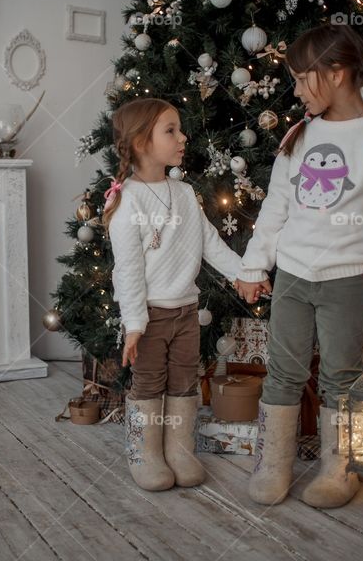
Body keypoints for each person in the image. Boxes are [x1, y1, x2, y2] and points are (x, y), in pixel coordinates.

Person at [236, 24, 363, 508]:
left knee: (341, 374)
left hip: (348, 279)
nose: (295, 90)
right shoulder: (300, 134)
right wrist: (256, 265)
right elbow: (275, 206)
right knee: (283, 372)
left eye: (301, 78)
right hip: (293, 276)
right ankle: (273, 465)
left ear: (336, 74)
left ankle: (338, 471)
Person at [104, 98, 242, 491]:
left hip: (186, 311)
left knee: (183, 381)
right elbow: (128, 270)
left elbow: (210, 244)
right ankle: (144, 454)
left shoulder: (183, 193)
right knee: (149, 383)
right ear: (141, 142)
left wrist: (243, 274)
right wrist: (133, 324)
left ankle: (180, 451)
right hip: (149, 315)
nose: (183, 137)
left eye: (180, 129)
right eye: (171, 130)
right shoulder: (126, 200)